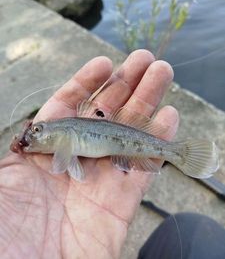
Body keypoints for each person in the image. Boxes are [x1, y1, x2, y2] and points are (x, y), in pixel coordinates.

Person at [1, 49, 225, 258]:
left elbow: (62, 165)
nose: (33, 135)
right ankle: (176, 153)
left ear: (63, 133)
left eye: (38, 130)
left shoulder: (64, 142)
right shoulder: (58, 140)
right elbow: (65, 165)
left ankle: (179, 153)